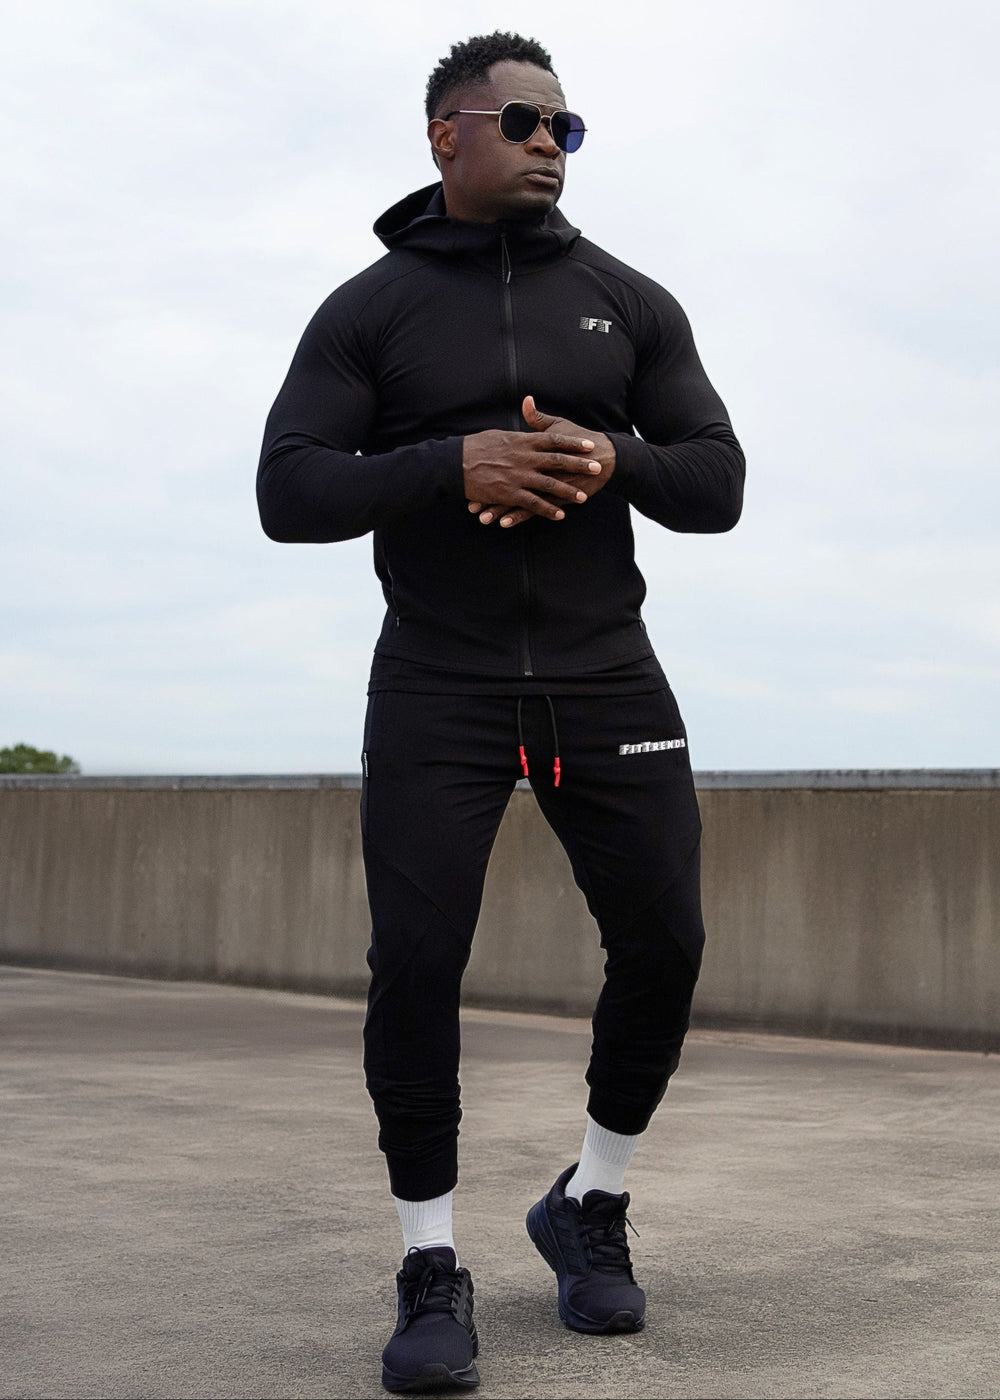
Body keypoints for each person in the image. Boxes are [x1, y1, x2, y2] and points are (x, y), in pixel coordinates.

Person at [257, 30, 745, 1394]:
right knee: (417, 957)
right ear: (447, 136)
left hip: (606, 671)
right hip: (441, 678)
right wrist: (444, 460)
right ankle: (429, 1263)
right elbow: (287, 489)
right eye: (524, 119)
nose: (549, 142)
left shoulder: (630, 303)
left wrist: (616, 455)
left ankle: (588, 1203)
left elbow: (717, 479)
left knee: (669, 939)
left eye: (567, 126)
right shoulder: (373, 310)